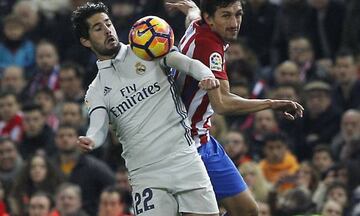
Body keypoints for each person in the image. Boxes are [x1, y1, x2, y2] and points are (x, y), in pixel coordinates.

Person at [72, 2, 220, 216]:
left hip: (184, 159)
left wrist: (206, 75)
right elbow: (98, 126)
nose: (107, 30)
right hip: (146, 175)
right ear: (85, 41)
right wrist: (91, 139)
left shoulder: (148, 48)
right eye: (98, 28)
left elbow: (188, 64)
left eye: (108, 23)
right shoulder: (95, 91)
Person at [166, 0, 304, 215]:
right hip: (185, 147)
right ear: (210, 19)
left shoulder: (198, 25)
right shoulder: (210, 47)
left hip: (204, 140)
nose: (234, 22)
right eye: (226, 15)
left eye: (238, 14)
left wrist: (189, 7)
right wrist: (272, 104)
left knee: (248, 211)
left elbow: (191, 16)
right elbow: (223, 103)